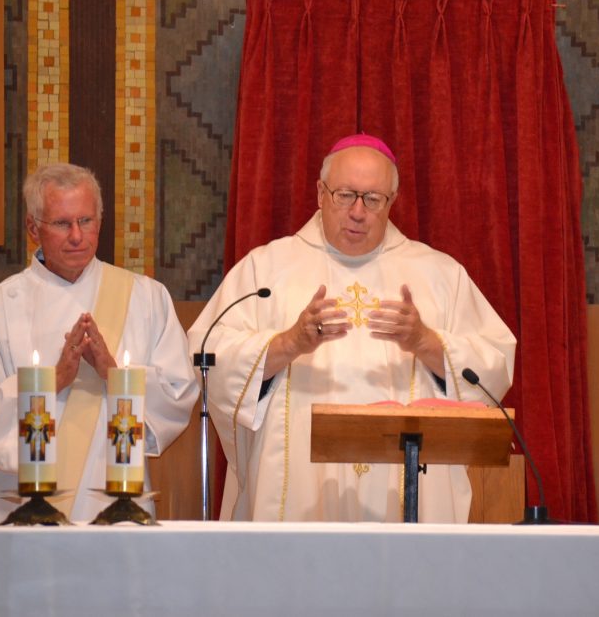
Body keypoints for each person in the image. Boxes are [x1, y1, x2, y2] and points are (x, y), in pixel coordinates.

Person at [188, 134, 516, 523]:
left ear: (392, 202)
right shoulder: (266, 270)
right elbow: (207, 358)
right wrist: (289, 343)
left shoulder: (439, 275)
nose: (358, 212)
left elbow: (494, 365)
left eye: (373, 199)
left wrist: (426, 342)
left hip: (408, 495)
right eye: (345, 195)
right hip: (298, 498)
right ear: (320, 193)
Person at [0, 164, 198, 563]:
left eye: (86, 220)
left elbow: (178, 393)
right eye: (62, 223)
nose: (78, 236)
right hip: (20, 513)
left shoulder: (145, 298)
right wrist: (50, 383)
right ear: (33, 229)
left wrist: (114, 374)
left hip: (115, 511)